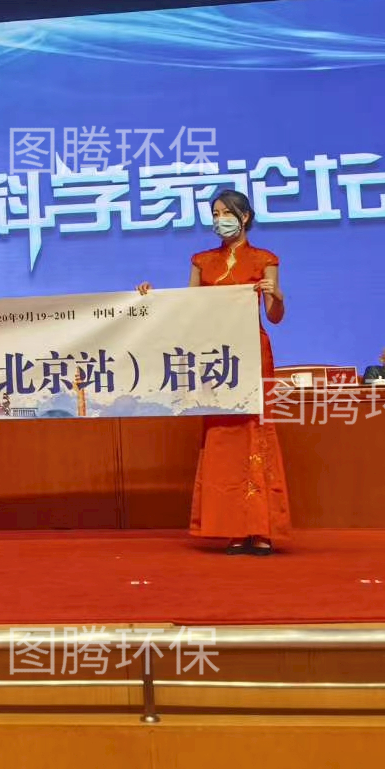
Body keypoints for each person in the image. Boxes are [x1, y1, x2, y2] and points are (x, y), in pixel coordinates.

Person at [136, 190, 289, 555]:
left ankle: (260, 527)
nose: (219, 220)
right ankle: (232, 526)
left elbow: (274, 317)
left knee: (256, 432)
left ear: (244, 217)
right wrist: (151, 298)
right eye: (215, 214)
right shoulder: (202, 261)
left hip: (252, 354)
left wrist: (277, 295)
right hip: (216, 358)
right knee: (222, 435)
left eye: (225, 213)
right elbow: (188, 308)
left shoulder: (265, 259)